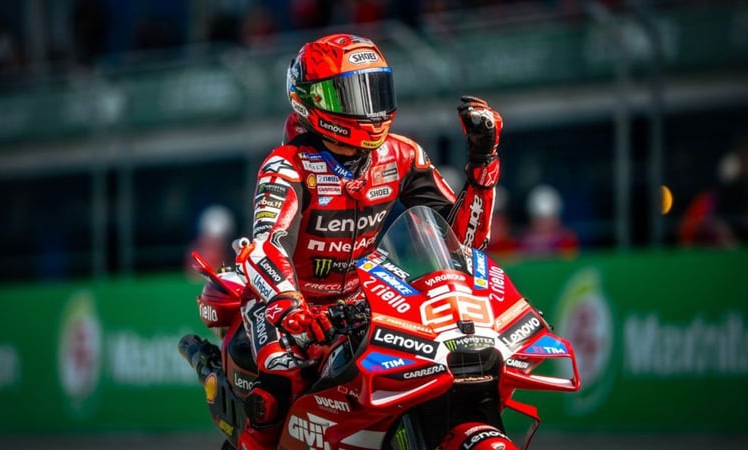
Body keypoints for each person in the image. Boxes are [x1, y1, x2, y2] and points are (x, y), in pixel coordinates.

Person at [232, 33, 504, 449]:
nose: (370, 108)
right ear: (310, 101)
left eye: (375, 89)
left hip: (364, 305)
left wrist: (483, 165)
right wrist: (290, 308)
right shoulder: (286, 166)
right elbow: (267, 244)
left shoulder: (403, 155)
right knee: (280, 383)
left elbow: (464, 243)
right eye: (352, 94)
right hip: (286, 305)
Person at [517, 183, 579, 258]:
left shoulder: (567, 240)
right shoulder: (522, 242)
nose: (544, 224)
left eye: (548, 219)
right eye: (540, 219)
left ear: (557, 219)